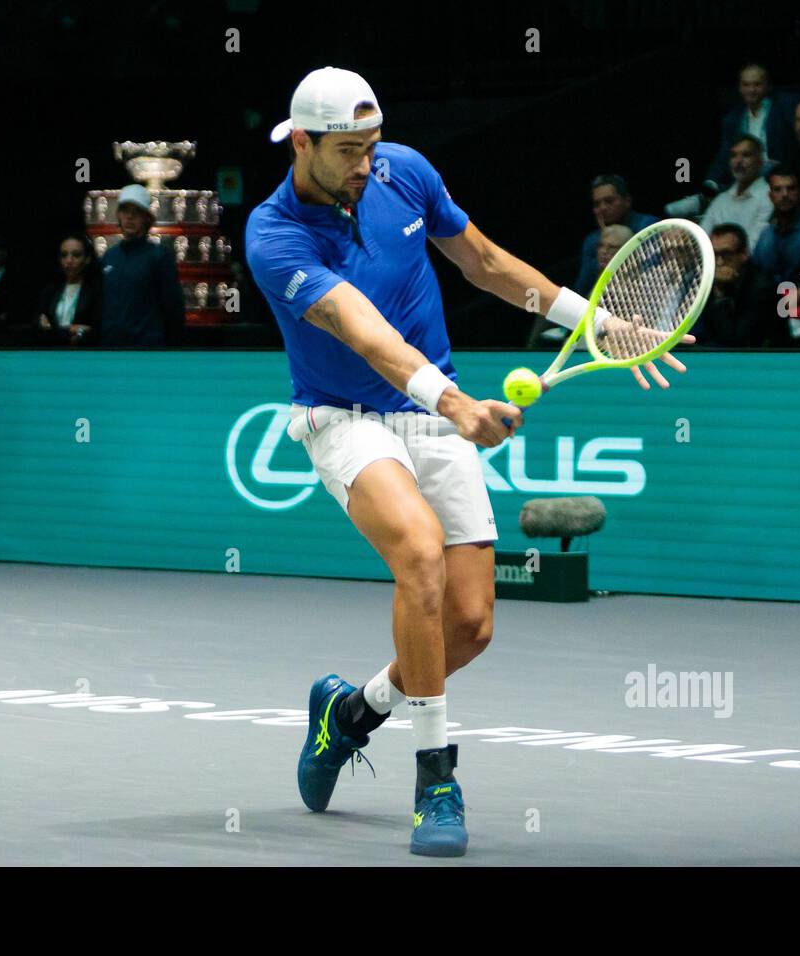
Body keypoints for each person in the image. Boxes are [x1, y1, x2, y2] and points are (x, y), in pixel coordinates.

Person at [246, 67, 693, 858]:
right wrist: (455, 406)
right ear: (302, 143)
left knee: (471, 625)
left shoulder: (405, 171)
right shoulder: (273, 235)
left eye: (370, 146)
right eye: (347, 150)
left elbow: (483, 261)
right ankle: (436, 781)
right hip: (345, 418)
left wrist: (593, 323)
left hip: (432, 410)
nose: (363, 164)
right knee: (416, 553)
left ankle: (349, 714)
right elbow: (365, 332)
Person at [99, 184, 185, 346]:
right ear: (118, 214)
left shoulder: (159, 257)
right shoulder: (109, 257)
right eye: (125, 210)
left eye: (136, 211)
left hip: (147, 351)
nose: (130, 217)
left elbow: (173, 309)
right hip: (111, 349)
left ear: (146, 217)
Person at [706, 64, 798, 186]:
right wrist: (710, 183)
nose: (751, 90)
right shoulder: (733, 119)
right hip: (744, 179)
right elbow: (724, 157)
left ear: (768, 86)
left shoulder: (783, 110)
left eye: (757, 84)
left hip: (778, 179)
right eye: (746, 85)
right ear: (739, 87)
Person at [692, 224, 779, 347]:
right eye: (714, 254)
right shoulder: (704, 280)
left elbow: (736, 342)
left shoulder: (762, 288)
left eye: (726, 254)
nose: (719, 262)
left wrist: (720, 293)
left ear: (744, 254)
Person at [573, 174, 658, 293]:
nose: (602, 208)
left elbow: (652, 271)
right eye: (597, 204)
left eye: (609, 201)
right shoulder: (592, 241)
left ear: (627, 201)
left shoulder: (649, 226)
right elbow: (582, 288)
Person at [752, 167, 800, 288]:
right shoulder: (766, 235)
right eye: (777, 190)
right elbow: (755, 274)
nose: (784, 194)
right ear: (771, 196)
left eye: (790, 189)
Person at [699, 135, 773, 250]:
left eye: (746, 155)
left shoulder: (769, 196)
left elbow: (752, 247)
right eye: (734, 155)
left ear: (760, 161)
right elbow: (701, 241)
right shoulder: (721, 200)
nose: (738, 161)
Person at [37, 233, 102, 346]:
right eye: (64, 255)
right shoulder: (50, 291)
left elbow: (98, 329)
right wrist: (71, 330)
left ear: (87, 259)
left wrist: (81, 333)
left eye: (76, 255)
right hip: (51, 354)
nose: (69, 260)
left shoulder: (96, 291)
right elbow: (41, 326)